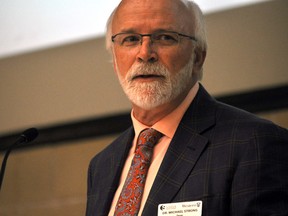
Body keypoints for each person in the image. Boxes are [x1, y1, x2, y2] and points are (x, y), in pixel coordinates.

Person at [85, 0, 288, 215]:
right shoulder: (101, 165)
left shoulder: (255, 144)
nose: (145, 53)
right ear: (115, 60)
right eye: (131, 39)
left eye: (165, 37)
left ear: (198, 57)